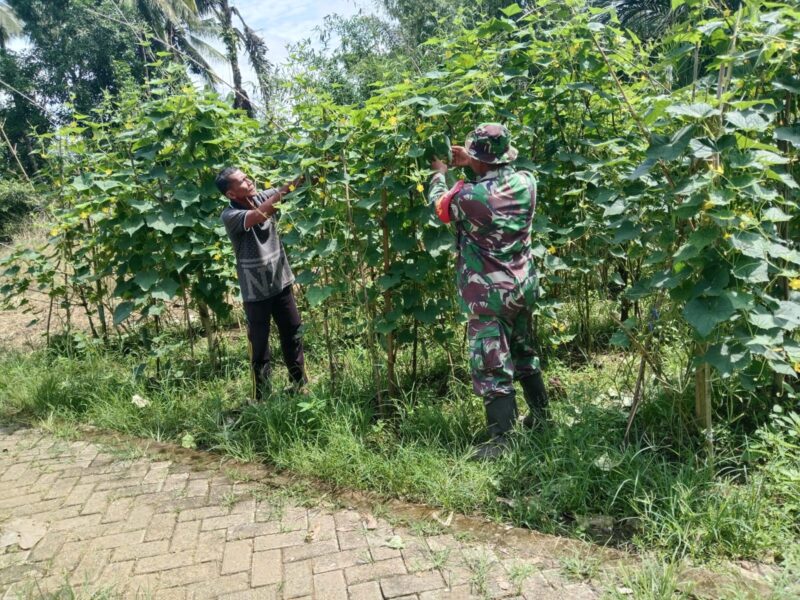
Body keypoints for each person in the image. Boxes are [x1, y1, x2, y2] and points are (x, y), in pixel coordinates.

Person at [428, 123, 549, 460]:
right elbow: (495, 173)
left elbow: (440, 207)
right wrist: (473, 161)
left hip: (488, 296)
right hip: (523, 286)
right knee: (525, 352)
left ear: (480, 159)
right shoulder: (527, 182)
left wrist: (440, 173)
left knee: (492, 364)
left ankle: (502, 442)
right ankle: (542, 419)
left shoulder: (469, 197)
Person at [216, 167, 308, 401]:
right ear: (231, 194)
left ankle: (299, 383)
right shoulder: (230, 215)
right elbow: (259, 215)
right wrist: (285, 190)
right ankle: (262, 396)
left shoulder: (263, 197)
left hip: (281, 280)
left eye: (247, 176)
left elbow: (287, 192)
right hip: (255, 290)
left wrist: (309, 174)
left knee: (293, 333)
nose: (249, 181)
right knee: (259, 345)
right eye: (242, 181)